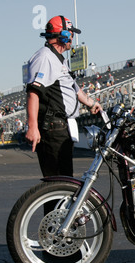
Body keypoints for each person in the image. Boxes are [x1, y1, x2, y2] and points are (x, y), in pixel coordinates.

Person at [25, 15, 102, 178]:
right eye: (71, 34)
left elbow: (73, 88)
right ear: (63, 35)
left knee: (65, 178)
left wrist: (91, 103)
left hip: (61, 126)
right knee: (56, 182)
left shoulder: (60, 60)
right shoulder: (45, 57)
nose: (72, 38)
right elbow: (33, 93)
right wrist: (32, 127)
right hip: (52, 128)